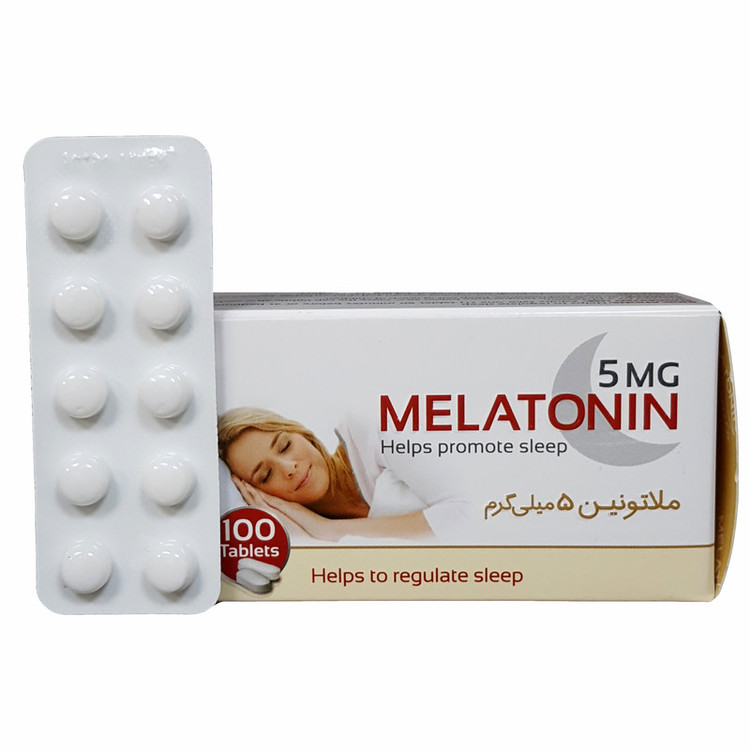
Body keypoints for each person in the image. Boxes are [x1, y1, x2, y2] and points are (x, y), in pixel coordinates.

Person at [217, 406, 469, 542]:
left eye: (285, 446)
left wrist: (330, 529)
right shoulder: (300, 534)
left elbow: (465, 509)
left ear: (302, 434)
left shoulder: (364, 431)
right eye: (266, 475)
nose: (289, 467)